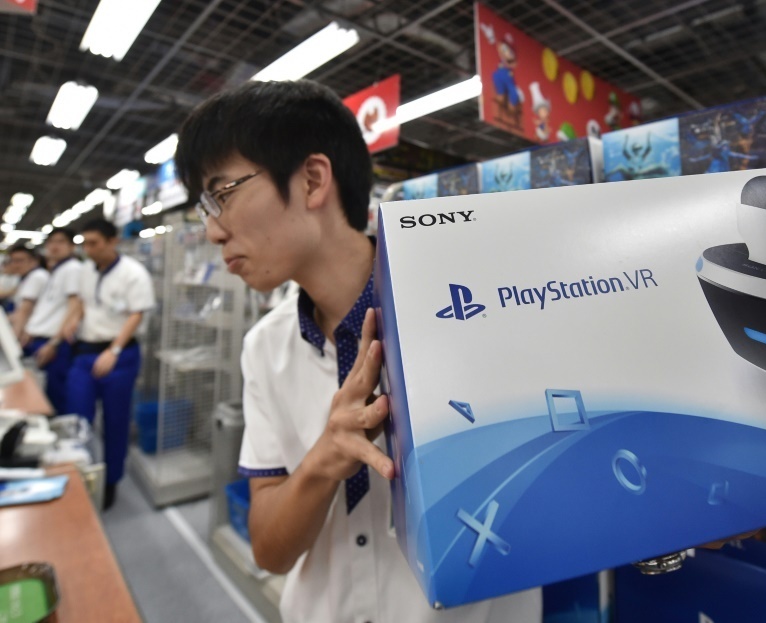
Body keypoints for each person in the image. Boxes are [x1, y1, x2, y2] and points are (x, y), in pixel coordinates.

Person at [175, 80, 540, 623]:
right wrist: (323, 461)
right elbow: (270, 552)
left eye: (221, 194)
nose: (212, 231)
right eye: (205, 206)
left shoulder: (478, 308)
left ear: (312, 180)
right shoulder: (265, 347)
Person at [61, 219, 154, 509]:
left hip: (119, 354)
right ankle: (79, 474)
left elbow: (137, 314)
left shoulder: (133, 273)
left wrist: (113, 350)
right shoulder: (87, 270)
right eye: (85, 244)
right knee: (77, 417)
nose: (88, 250)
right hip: (85, 352)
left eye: (94, 244)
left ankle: (111, 480)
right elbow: (84, 302)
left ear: (113, 241)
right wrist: (72, 320)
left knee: (116, 420)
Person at [22, 228, 83, 414]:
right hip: (41, 340)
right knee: (43, 397)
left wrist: (55, 342)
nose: (54, 246)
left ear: (71, 246)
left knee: (55, 399)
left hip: (54, 344)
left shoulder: (72, 269)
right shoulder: (56, 270)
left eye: (60, 241)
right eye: (51, 242)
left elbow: (74, 306)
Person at [6, 243, 48, 345]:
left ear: (33, 261)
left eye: (19, 261)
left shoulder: (37, 276)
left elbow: (25, 311)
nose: (15, 265)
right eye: (13, 261)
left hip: (34, 335)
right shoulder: (26, 277)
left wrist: (12, 341)